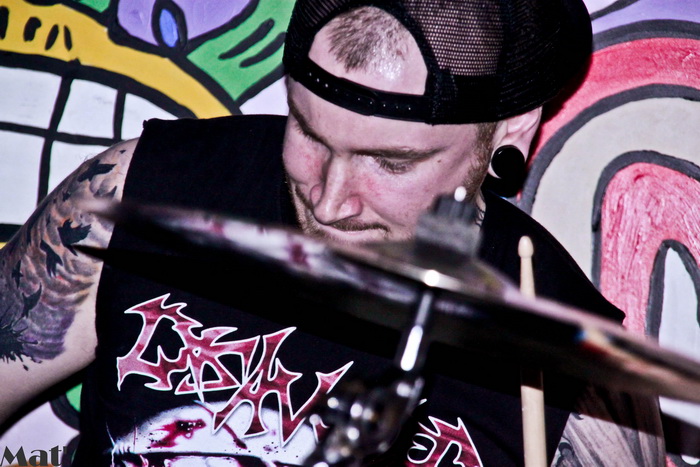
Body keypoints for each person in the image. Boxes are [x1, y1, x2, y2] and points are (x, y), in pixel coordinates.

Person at [0, 0, 665, 465]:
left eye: (390, 162)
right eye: (309, 132)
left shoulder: (576, 360)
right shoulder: (144, 188)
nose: (328, 199)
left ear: (510, 129)